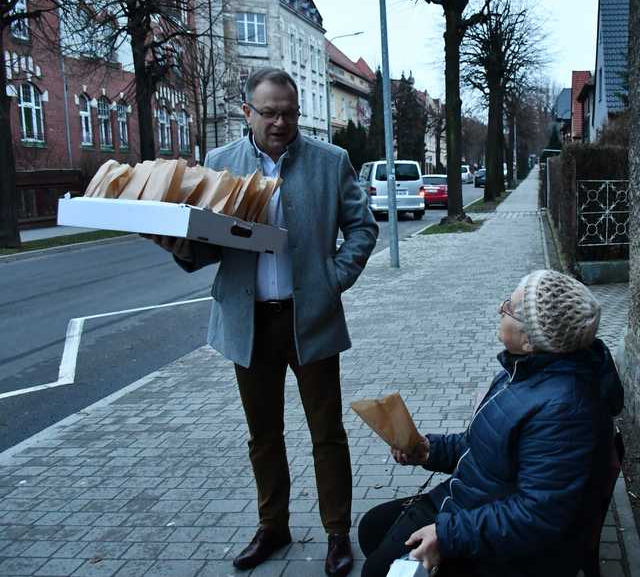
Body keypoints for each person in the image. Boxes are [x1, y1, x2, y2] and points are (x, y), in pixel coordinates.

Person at [149, 67, 378, 576]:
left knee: (327, 432)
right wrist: (177, 246)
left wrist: (331, 279)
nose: (280, 122)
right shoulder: (219, 164)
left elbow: (362, 228)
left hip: (310, 318)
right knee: (264, 435)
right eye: (269, 112)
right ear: (246, 112)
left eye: (289, 113)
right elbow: (207, 246)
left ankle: (337, 533)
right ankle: (272, 526)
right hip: (249, 321)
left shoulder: (329, 160)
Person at [358, 269, 624, 577]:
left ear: (529, 340)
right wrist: (428, 450)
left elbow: (536, 516)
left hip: (502, 541)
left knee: (378, 571)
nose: (500, 308)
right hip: (475, 501)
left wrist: (446, 534)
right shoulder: (526, 370)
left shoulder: (565, 411)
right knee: (371, 528)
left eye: (509, 307)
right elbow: (488, 445)